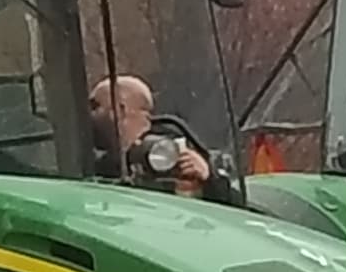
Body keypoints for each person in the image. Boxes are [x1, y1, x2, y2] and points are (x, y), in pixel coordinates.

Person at [87, 74, 247, 207]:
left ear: (119, 110)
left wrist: (208, 179)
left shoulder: (177, 153)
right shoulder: (93, 162)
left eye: (95, 107)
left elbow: (237, 211)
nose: (87, 115)